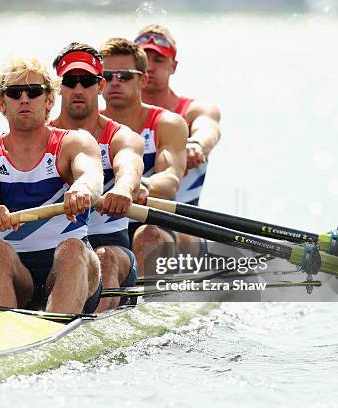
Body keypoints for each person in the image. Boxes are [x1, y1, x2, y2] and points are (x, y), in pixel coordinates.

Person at [0, 58, 104, 314]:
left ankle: (56, 324)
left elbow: (91, 176)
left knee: (72, 248)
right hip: (16, 273)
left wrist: (82, 190)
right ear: (2, 103)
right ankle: (1, 336)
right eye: (14, 93)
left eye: (34, 92)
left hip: (71, 267)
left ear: (48, 101)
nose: (24, 98)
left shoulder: (74, 143)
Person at [50, 43, 145, 311]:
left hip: (110, 245)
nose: (78, 89)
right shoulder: (42, 137)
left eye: (87, 81)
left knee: (104, 258)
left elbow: (129, 166)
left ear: (100, 85)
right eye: (70, 81)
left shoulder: (121, 136)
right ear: (58, 87)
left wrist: (124, 189)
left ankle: (87, 331)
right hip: (56, 249)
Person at [99, 38, 187, 277]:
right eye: (107, 75)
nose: (115, 82)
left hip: (151, 223)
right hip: (102, 227)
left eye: (125, 76)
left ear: (143, 80)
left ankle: (140, 305)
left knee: (147, 234)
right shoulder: (85, 128)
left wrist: (141, 185)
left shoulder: (167, 123)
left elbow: (170, 181)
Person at [134, 24, 222, 258]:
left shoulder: (194, 110)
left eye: (159, 60)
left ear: (174, 66)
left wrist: (196, 145)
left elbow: (208, 128)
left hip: (184, 226)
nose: (150, 67)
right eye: (144, 59)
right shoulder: (110, 119)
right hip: (124, 224)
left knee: (149, 233)